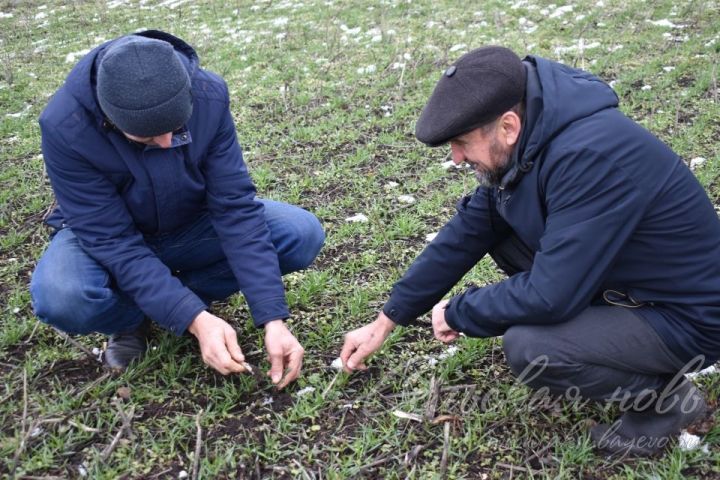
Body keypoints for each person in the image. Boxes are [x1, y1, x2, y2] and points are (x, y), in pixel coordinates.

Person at [340, 46, 719, 455]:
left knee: (533, 347)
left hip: (686, 316)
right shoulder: (532, 142)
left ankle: (669, 405)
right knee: (501, 232)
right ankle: (608, 342)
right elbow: (468, 230)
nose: (456, 157)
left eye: (462, 143)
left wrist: (458, 310)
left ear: (508, 126)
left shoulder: (590, 157)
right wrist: (387, 319)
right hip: (630, 285)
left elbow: (548, 297)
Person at [30, 31, 325, 389]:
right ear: (110, 119)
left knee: (299, 233)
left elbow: (234, 208)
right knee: (64, 296)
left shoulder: (208, 96)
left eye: (177, 128)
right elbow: (114, 241)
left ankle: (177, 300)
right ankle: (133, 320)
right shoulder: (66, 126)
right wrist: (196, 319)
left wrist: (272, 318)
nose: (168, 143)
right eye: (148, 139)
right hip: (106, 238)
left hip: (190, 224)